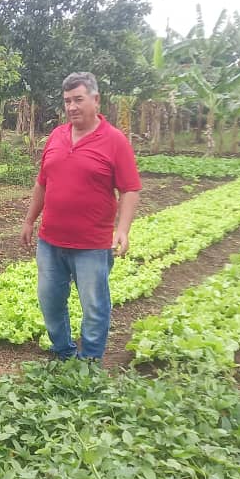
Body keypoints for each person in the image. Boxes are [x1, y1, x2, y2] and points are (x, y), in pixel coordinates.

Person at [20, 72, 141, 362]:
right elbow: (42, 183)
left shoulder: (114, 141)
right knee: (50, 301)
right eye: (67, 101)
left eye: (78, 100)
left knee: (94, 306)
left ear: (96, 100)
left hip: (92, 245)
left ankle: (89, 362)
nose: (72, 107)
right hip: (51, 241)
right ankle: (63, 352)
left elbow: (130, 189)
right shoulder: (57, 136)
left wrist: (122, 230)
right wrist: (28, 220)